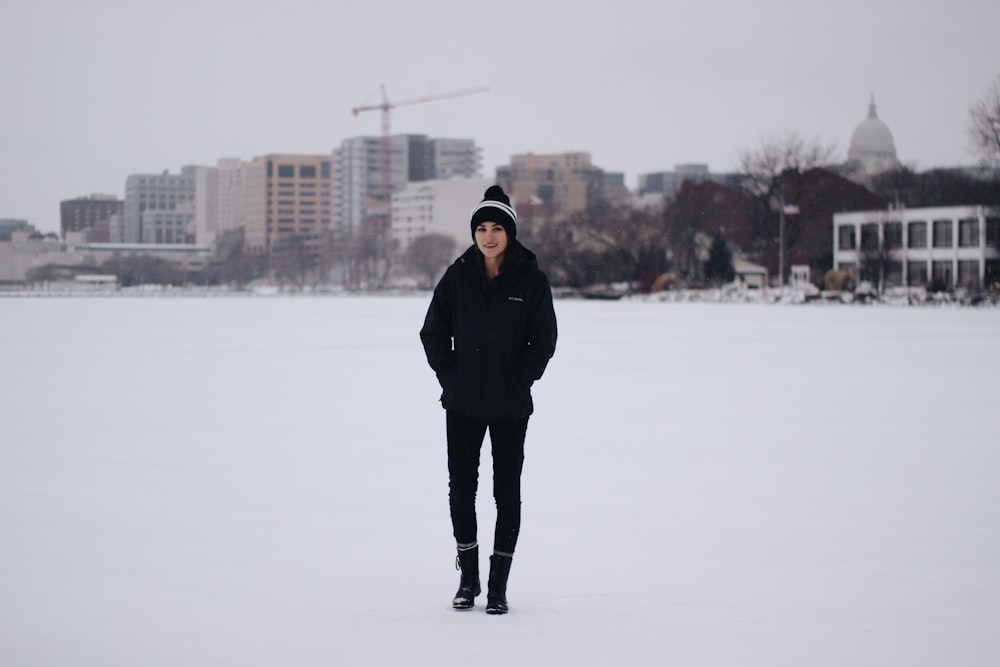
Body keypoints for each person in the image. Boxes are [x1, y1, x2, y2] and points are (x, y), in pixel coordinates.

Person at [420, 185, 557, 614]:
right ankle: (469, 579)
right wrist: (451, 374)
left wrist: (520, 381)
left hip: (510, 405)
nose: (489, 235)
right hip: (462, 404)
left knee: (506, 492)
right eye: (482, 228)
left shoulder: (531, 281)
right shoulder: (458, 276)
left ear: (510, 232)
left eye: (497, 227)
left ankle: (498, 586)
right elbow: (433, 332)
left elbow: (544, 340)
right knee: (461, 490)